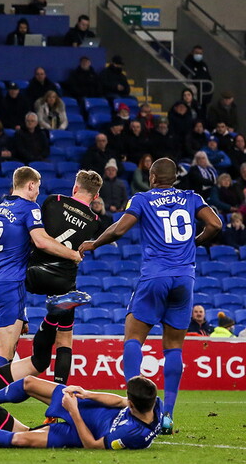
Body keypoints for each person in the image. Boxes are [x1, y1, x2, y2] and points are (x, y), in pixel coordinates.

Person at [79, 158, 222, 433]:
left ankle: (136, 408)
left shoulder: (142, 198)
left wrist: (94, 243)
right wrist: (195, 242)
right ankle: (167, 415)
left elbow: (120, 228)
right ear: (175, 178)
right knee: (173, 347)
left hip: (155, 275)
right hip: (184, 278)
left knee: (133, 338)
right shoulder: (192, 197)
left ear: (153, 176)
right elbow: (215, 224)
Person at [0, 166, 82, 367]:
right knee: (6, 352)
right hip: (10, 282)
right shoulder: (29, 207)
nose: (38, 192)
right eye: (37, 187)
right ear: (30, 185)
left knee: (1, 340)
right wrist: (72, 254)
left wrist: (22, 315)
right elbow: (41, 241)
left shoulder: (4, 206)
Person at [20, 170, 102, 385]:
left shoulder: (53, 200)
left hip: (32, 271)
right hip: (64, 281)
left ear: (75, 188)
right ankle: (59, 391)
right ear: (95, 196)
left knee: (11, 326)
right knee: (64, 339)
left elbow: (36, 232)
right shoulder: (95, 222)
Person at [0, 375, 162, 450]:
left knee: (22, 439)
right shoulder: (153, 402)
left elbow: (92, 445)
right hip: (86, 407)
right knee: (29, 383)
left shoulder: (133, 435)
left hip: (79, 431)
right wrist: (87, 393)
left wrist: (74, 412)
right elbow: (118, 401)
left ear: (134, 405)